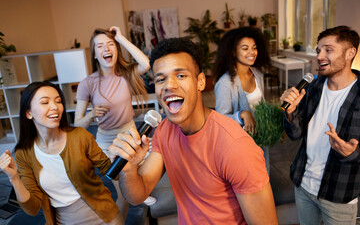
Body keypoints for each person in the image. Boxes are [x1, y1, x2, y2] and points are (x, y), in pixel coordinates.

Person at [109, 37, 278, 224]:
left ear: (200, 82)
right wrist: (129, 169)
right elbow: (138, 195)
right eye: (161, 79)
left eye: (180, 75)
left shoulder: (236, 146)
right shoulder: (164, 131)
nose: (169, 85)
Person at [0, 81, 123, 225]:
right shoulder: (24, 153)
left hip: (105, 218)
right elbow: (32, 209)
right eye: (45, 102)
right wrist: (14, 178)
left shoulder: (80, 136)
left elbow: (111, 172)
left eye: (58, 101)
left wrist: (121, 158)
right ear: (28, 113)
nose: (54, 107)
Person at [280, 26, 360, 224]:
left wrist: (352, 153)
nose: (320, 56)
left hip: (338, 194)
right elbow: (295, 134)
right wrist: (290, 113)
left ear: (350, 53)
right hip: (304, 185)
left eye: (328, 50)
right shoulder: (313, 87)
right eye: (318, 51)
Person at [74, 26, 150, 218]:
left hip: (130, 135)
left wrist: (122, 38)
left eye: (110, 44)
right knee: (123, 192)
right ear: (95, 55)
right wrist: (91, 115)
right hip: (107, 143)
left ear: (116, 49)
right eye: (100, 46)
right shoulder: (87, 84)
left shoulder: (126, 74)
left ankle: (140, 196)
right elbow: (77, 125)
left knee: (134, 180)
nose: (106, 49)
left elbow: (145, 63)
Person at [213, 26, 271, 135]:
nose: (252, 52)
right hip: (240, 142)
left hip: (260, 138)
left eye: (254, 48)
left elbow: (261, 105)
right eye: (245, 48)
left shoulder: (257, 74)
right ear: (234, 52)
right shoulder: (225, 83)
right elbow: (221, 121)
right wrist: (242, 115)